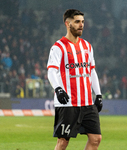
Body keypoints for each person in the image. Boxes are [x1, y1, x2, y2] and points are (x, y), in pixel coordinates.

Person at [47, 9, 103, 150]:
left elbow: (91, 71)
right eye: (77, 22)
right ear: (67, 23)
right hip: (68, 103)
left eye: (83, 22)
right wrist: (58, 89)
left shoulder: (87, 46)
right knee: (63, 142)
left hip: (87, 102)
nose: (81, 25)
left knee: (96, 139)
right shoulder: (58, 47)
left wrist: (99, 94)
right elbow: (52, 71)